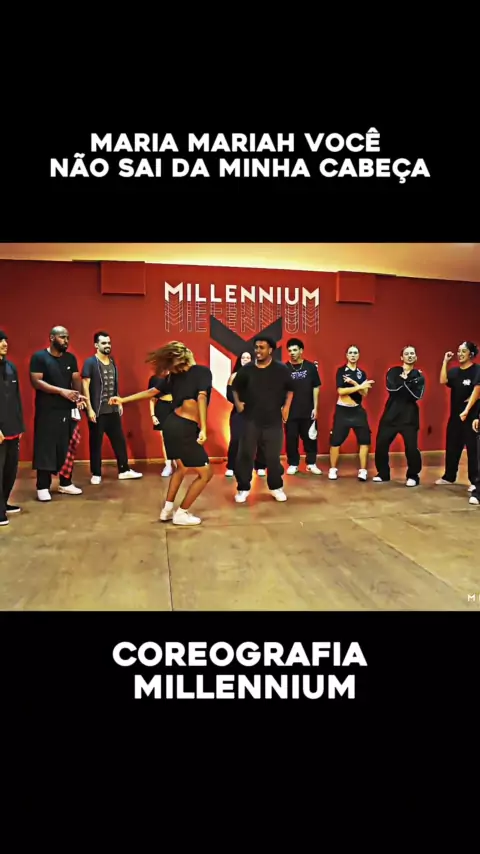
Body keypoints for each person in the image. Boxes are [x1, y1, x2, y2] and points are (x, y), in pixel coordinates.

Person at [109, 341, 213, 526]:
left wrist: (123, 400)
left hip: (170, 424)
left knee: (181, 468)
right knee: (205, 474)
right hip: (184, 427)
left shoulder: (174, 377)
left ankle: (167, 510)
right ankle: (182, 513)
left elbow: (152, 392)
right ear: (187, 354)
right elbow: (202, 397)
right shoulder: (202, 372)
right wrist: (204, 428)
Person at [231, 336, 295, 503]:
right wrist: (238, 405)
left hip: (273, 420)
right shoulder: (247, 370)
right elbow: (235, 388)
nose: (258, 351)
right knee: (245, 454)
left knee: (273, 457)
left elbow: (290, 389)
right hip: (250, 419)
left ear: (270, 350)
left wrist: (286, 408)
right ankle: (243, 488)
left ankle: (276, 487)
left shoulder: (281, 369)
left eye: (262, 348)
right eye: (256, 348)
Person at [29, 326, 87, 502]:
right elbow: (37, 381)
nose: (66, 341)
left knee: (66, 447)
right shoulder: (39, 357)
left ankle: (65, 482)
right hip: (47, 410)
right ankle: (42, 486)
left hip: (66, 409)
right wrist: (62, 391)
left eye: (67, 337)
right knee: (46, 448)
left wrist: (78, 397)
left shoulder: (70, 358)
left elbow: (75, 379)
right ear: (52, 337)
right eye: (62, 337)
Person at [81, 331, 142, 485]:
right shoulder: (90, 363)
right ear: (96, 345)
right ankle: (96, 473)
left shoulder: (112, 362)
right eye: (103, 343)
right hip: (97, 411)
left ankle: (124, 470)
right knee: (96, 443)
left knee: (119, 441)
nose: (107, 345)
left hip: (112, 409)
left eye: (108, 343)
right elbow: (85, 386)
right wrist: (89, 409)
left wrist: (119, 402)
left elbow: (114, 385)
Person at [373, 346, 425, 486]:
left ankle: (413, 476)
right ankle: (383, 474)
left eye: (412, 353)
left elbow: (416, 396)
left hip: (409, 417)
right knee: (381, 444)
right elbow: (392, 388)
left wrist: (403, 383)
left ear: (416, 357)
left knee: (411, 448)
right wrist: (408, 383)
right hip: (391, 415)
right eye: (407, 354)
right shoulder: (393, 371)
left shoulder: (419, 376)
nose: (410, 356)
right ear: (402, 357)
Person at [435, 342, 479, 491]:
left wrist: (470, 405)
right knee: (452, 446)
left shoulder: (477, 370)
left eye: (463, 351)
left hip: (472, 417)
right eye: (459, 351)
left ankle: (475, 481)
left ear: (471, 354)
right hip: (455, 416)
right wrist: (445, 362)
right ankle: (449, 476)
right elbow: (443, 380)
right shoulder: (454, 372)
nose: (460, 354)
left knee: (473, 449)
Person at [328, 345, 375, 481]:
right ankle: (333, 469)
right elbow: (341, 391)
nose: (353, 355)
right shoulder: (341, 371)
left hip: (357, 410)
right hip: (343, 410)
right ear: (347, 355)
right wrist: (359, 386)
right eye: (350, 353)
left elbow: (364, 393)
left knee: (364, 440)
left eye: (355, 353)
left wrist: (355, 383)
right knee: (335, 441)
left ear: (358, 355)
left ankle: (363, 470)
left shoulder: (361, 373)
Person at [225, 350, 266, 478]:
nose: (246, 360)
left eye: (248, 358)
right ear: (240, 360)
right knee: (236, 439)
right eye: (243, 358)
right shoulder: (234, 376)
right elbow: (229, 395)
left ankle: (260, 466)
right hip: (238, 413)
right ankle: (231, 466)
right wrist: (240, 403)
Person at [284, 338, 322, 475]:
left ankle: (311, 463)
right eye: (290, 350)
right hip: (290, 411)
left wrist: (315, 407)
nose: (292, 353)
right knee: (291, 438)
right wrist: (282, 409)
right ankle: (293, 463)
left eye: (295, 350)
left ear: (301, 350)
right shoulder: (284, 368)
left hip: (308, 410)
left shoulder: (310, 367)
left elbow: (316, 387)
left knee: (310, 438)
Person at [0, 330, 25, 525]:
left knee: (10, 470)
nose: (4, 344)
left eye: (5, 341)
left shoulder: (11, 367)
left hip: (12, 428)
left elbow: (16, 398)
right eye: (0, 341)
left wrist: (19, 425)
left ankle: (3, 503)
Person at [148, 372, 174, 477]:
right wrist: (153, 415)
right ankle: (168, 465)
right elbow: (152, 398)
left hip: (176, 406)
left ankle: (178, 462)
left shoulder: (178, 377)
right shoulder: (155, 378)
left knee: (177, 437)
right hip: (162, 407)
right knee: (165, 438)